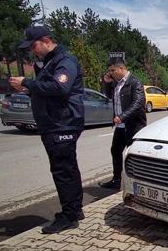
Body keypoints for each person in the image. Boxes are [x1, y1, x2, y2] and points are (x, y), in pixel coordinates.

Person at [8, 25, 85, 233]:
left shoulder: (64, 61)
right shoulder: (50, 62)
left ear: (46, 40)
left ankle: (70, 216)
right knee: (67, 168)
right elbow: (47, 90)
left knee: (63, 170)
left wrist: (28, 83)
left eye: (33, 46)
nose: (32, 51)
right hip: (55, 123)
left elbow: (60, 88)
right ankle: (74, 209)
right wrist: (29, 87)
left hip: (62, 124)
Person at [98, 59, 146, 189]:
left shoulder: (135, 82)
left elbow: (138, 103)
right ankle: (116, 180)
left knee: (133, 155)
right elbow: (108, 96)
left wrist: (122, 116)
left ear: (121, 68)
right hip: (120, 126)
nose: (111, 73)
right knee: (115, 151)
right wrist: (106, 83)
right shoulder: (116, 83)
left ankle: (137, 182)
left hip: (134, 126)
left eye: (112, 70)